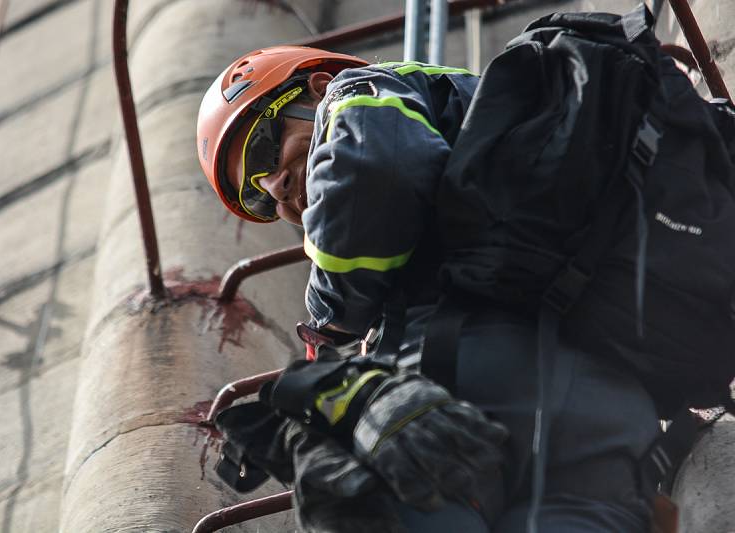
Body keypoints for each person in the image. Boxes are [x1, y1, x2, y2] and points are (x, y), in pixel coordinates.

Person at [196, 45, 661, 532]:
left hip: (475, 390)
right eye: (256, 193)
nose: (273, 186)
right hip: (596, 398)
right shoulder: (475, 123)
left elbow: (375, 176)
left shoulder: (359, 91)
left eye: (264, 148)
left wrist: (326, 324)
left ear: (315, 88)